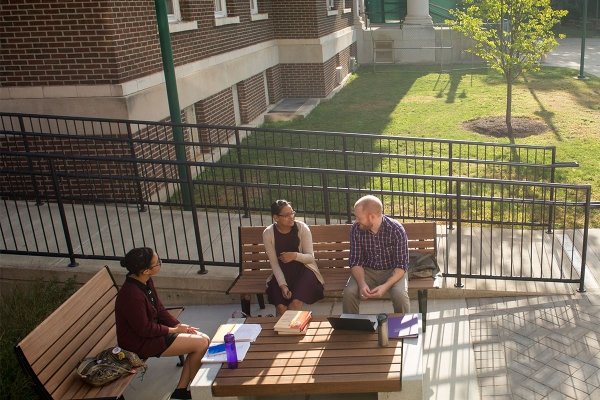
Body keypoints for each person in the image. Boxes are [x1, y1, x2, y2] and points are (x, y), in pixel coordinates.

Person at [115, 247, 209, 400]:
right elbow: (144, 329)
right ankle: (197, 393)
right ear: (146, 270)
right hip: (138, 343)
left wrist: (180, 326)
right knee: (199, 344)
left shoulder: (145, 281)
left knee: (203, 338)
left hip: (150, 334)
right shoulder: (131, 295)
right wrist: (174, 330)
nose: (160, 263)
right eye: (157, 262)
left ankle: (181, 392)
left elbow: (159, 310)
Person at [342, 195, 410, 314]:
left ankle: (403, 330)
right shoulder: (356, 229)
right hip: (367, 270)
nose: (356, 221)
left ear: (372, 217)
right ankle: (351, 328)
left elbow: (401, 266)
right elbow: (355, 261)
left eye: (358, 217)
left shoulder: (396, 230)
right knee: (349, 292)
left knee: (400, 295)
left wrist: (386, 286)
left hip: (392, 270)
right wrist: (362, 284)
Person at [264, 200, 325, 316]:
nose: (291, 217)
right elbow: (274, 264)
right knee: (281, 308)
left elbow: (310, 258)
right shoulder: (268, 233)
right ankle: (282, 332)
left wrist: (294, 256)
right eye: (286, 215)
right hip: (282, 272)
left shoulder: (302, 228)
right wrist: (282, 285)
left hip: (305, 270)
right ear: (276, 218)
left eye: (292, 213)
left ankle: (294, 330)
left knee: (294, 304)